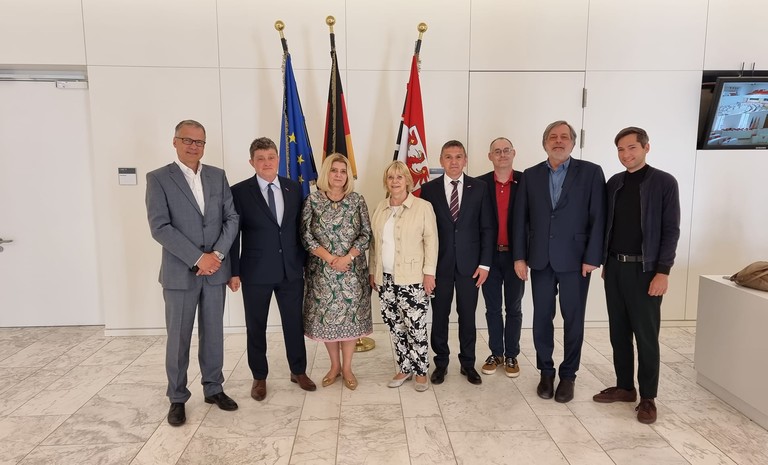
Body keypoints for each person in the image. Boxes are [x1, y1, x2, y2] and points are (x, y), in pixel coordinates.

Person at [146, 120, 240, 426]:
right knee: (178, 338)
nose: (193, 146)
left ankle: (213, 388)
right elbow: (160, 227)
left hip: (215, 272)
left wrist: (217, 256)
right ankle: (177, 397)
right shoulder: (158, 178)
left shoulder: (217, 175)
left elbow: (232, 217)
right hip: (180, 274)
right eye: (187, 140)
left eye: (199, 142)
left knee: (213, 334)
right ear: (174, 142)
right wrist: (198, 258)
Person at [512, 120, 606, 403]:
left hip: (576, 261)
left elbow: (598, 217)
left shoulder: (590, 172)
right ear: (544, 143)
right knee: (542, 318)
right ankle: (546, 371)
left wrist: (592, 257)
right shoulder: (530, 175)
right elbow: (521, 219)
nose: (558, 141)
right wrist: (519, 257)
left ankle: (568, 375)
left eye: (564, 137)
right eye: (553, 137)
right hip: (540, 259)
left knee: (573, 319)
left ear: (573, 142)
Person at [592, 127, 680, 424]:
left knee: (646, 336)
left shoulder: (664, 182)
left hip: (646, 270)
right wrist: (605, 262)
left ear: (646, 148)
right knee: (618, 332)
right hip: (615, 267)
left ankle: (648, 398)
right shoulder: (614, 183)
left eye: (631, 148)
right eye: (621, 149)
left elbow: (671, 230)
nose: (626, 154)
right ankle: (625, 387)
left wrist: (663, 272)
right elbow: (607, 224)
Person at [227, 137, 316, 402]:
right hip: (255, 272)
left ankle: (298, 371)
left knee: (294, 323)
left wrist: (305, 264)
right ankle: (259, 376)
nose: (267, 163)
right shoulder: (239, 192)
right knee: (256, 326)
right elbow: (233, 235)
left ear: (278, 159)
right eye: (261, 158)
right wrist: (233, 271)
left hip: (291, 270)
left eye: (271, 157)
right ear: (252, 162)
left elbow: (301, 229)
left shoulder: (293, 188)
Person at [420, 140, 495, 385]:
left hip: (470, 267)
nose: (454, 161)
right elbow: (424, 231)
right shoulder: (429, 189)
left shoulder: (480, 188)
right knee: (440, 317)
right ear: (441, 160)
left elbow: (487, 228)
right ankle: (441, 363)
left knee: (468, 317)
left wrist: (484, 264)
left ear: (465, 160)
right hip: (439, 266)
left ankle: (468, 364)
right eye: (449, 157)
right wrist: (426, 269)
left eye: (458, 156)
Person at [301, 153, 372, 390]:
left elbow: (366, 234)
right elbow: (306, 236)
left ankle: (348, 368)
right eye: (334, 170)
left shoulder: (357, 200)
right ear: (326, 173)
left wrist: (347, 257)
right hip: (322, 272)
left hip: (352, 272)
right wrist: (331, 259)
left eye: (343, 171)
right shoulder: (312, 200)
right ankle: (334, 367)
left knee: (349, 320)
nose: (338, 175)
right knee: (328, 321)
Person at [369, 161, 438, 392]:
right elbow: (374, 243)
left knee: (415, 326)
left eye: (400, 177)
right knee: (395, 325)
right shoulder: (380, 207)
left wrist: (429, 273)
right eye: (391, 177)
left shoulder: (422, 207)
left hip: (413, 279)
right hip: (386, 279)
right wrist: (373, 271)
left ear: (408, 180)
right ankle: (404, 367)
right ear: (386, 182)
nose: (395, 181)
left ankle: (421, 371)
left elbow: (431, 242)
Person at [478, 137, 525, 378]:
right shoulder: (480, 184)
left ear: (513, 153)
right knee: (493, 308)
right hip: (489, 258)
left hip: (516, 258)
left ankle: (512, 355)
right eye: (497, 151)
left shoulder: (526, 182)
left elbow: (531, 222)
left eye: (506, 150)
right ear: (490, 156)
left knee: (514, 308)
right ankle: (496, 353)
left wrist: (523, 256)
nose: (502, 154)